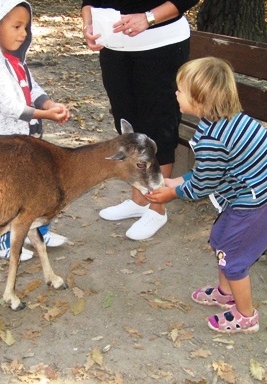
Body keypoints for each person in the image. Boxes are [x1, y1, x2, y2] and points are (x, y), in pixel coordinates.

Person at [145, 57, 267, 333]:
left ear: (199, 99)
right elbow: (208, 171)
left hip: (262, 201)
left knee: (234, 257)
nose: (175, 93)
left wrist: (172, 193)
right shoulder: (216, 122)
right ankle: (226, 293)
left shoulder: (213, 139)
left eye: (180, 90)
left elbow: (203, 184)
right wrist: (175, 180)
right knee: (220, 240)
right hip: (256, 192)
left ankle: (246, 315)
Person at [81, 0, 199, 241]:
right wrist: (88, 24)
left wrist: (149, 17)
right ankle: (139, 199)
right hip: (114, 47)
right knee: (127, 126)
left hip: (161, 44)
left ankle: (157, 207)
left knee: (158, 128)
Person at [0, 0, 70, 261]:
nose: (23, 33)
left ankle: (37, 232)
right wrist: (45, 114)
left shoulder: (14, 60)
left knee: (35, 187)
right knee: (4, 192)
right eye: (16, 26)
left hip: (24, 139)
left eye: (25, 27)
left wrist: (49, 104)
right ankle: (1, 241)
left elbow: (32, 88)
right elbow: (11, 107)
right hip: (0, 142)